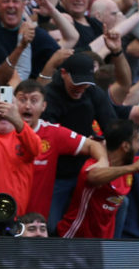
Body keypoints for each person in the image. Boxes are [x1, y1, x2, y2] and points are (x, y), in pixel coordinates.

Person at [14, 79, 108, 220]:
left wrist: (103, 161)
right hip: (5, 213)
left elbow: (92, 145)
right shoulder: (1, 130)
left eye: (34, 100)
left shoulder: (53, 133)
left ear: (44, 106)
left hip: (36, 221)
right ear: (13, 103)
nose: (27, 106)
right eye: (22, 100)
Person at [57, 119, 139, 239]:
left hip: (103, 241)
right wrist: (131, 168)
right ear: (125, 146)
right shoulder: (96, 164)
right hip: (76, 237)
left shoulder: (132, 163)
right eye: (138, 140)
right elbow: (93, 177)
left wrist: (133, 167)